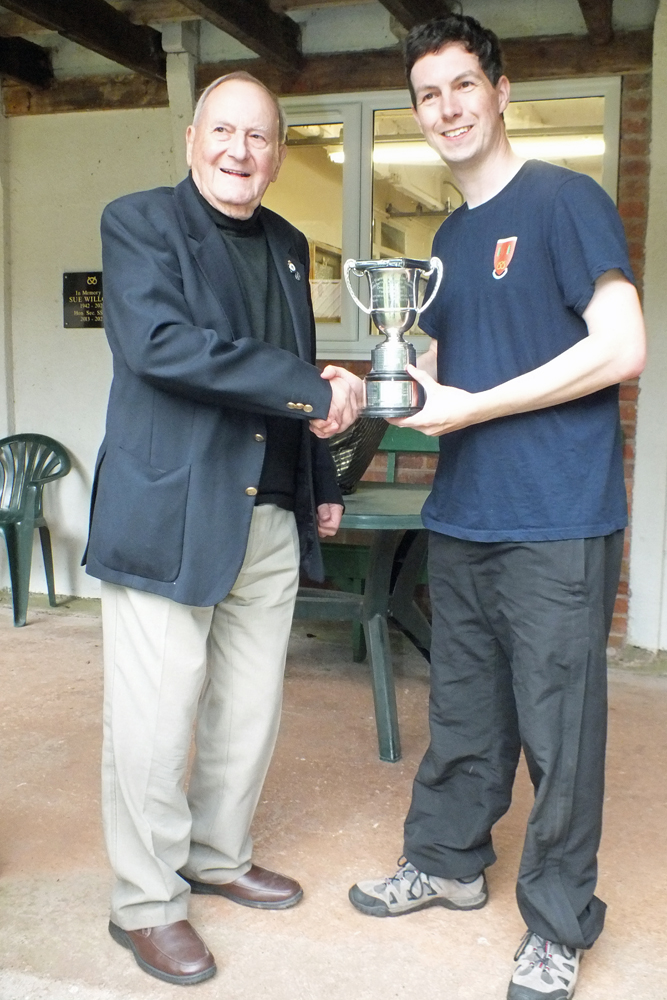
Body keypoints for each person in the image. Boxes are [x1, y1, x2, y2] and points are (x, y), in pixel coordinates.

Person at [348, 15, 646, 1000]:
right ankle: (444, 861)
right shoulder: (449, 235)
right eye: (428, 94)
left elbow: (621, 344)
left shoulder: (565, 201)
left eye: (463, 85)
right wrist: (362, 389)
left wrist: (474, 405)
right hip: (465, 513)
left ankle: (557, 924)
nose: (447, 107)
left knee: (559, 735)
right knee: (465, 715)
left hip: (556, 517)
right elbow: (439, 372)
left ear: (502, 88)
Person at [85, 71, 362, 986]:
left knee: (247, 711)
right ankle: (146, 904)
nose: (241, 151)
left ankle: (215, 855)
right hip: (170, 511)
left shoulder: (286, 242)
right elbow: (160, 347)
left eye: (259, 138)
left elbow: (288, 365)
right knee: (155, 724)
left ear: (277, 156)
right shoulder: (138, 223)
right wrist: (312, 389)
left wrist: (318, 472)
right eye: (225, 132)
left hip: (269, 511)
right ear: (193, 137)